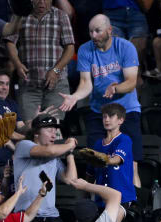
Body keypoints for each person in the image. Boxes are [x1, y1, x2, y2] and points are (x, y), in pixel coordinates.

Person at [59, 13, 142, 187]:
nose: (93, 36)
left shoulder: (125, 47)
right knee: (94, 162)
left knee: (130, 165)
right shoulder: (85, 49)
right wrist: (75, 96)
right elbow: (85, 83)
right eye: (91, 32)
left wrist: (115, 88)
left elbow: (132, 81)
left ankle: (135, 207)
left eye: (98, 31)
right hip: (99, 112)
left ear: (109, 30)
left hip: (126, 111)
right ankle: (92, 205)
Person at [13, 114, 79, 222]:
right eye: (49, 130)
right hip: (28, 218)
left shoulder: (55, 157)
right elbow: (49, 151)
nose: (54, 134)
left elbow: (70, 179)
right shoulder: (24, 146)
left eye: (56, 131)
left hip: (51, 217)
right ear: (36, 133)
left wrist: (70, 153)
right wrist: (70, 144)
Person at [7, 0, 75, 120]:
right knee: (29, 127)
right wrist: (17, 64)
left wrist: (56, 71)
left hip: (56, 84)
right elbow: (10, 42)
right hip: (29, 84)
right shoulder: (21, 16)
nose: (41, 2)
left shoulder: (61, 15)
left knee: (53, 125)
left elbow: (70, 48)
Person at [89, 103, 136, 206]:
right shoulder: (97, 144)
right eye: (104, 116)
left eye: (111, 116)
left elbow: (116, 160)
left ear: (121, 120)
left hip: (122, 197)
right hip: (101, 199)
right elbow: (91, 173)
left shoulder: (124, 139)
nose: (107, 119)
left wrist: (101, 157)